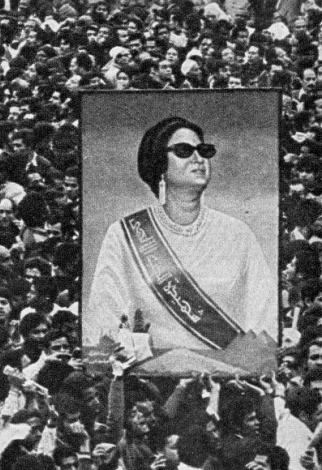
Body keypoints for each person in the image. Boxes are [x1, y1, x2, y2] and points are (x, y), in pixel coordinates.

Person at [84, 116, 277, 376]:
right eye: (184, 151)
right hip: (150, 380)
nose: (198, 158)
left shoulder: (237, 234)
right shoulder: (125, 234)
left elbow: (264, 317)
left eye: (204, 150)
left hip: (230, 378)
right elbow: (105, 320)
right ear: (160, 165)